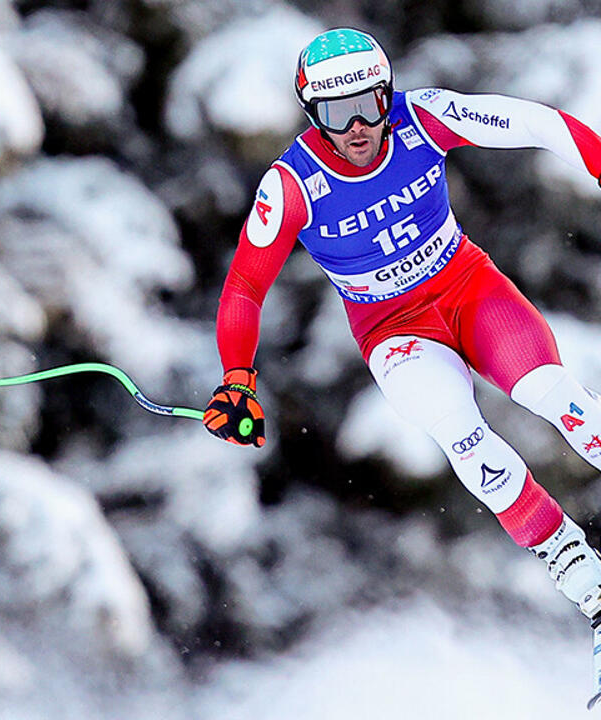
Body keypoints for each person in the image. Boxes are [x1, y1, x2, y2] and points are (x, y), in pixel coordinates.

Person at [201, 27, 601, 621]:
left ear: (388, 96)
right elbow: (245, 285)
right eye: (337, 115)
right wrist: (238, 379)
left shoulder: (423, 117)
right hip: (395, 332)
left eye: (368, 106)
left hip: (470, 290)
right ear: (314, 115)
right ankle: (585, 581)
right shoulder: (291, 185)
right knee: (465, 443)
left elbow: (536, 124)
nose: (357, 128)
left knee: (552, 394)